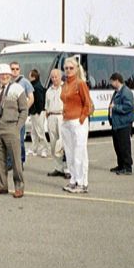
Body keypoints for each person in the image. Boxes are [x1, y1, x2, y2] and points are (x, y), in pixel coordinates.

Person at [0, 63, 29, 198]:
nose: (4, 76)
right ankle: (2, 185)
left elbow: (24, 109)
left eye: (7, 74)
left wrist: (18, 127)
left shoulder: (17, 89)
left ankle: (19, 187)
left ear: (10, 75)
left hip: (11, 127)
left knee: (16, 160)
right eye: (1, 74)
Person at [61, 58, 92, 193]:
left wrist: (82, 118)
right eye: (66, 68)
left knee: (80, 152)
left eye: (71, 68)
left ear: (76, 68)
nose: (68, 70)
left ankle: (82, 182)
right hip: (66, 121)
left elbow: (88, 103)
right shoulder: (65, 84)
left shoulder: (80, 83)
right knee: (69, 152)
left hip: (78, 121)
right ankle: (73, 179)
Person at [108, 72, 134, 175]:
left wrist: (115, 108)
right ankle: (120, 165)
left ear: (117, 81)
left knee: (124, 146)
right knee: (118, 146)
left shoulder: (126, 92)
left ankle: (127, 167)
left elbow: (128, 107)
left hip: (123, 124)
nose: (111, 84)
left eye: (112, 82)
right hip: (116, 124)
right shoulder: (117, 92)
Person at [45, 68, 69, 179]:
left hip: (61, 116)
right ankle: (58, 167)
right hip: (51, 116)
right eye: (52, 77)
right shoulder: (49, 91)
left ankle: (67, 169)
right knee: (54, 144)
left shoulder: (65, 88)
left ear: (60, 77)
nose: (54, 79)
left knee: (64, 144)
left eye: (56, 77)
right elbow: (46, 105)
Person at [9, 61, 34, 166]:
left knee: (20, 140)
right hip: (9, 115)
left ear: (20, 70)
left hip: (20, 116)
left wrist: (23, 110)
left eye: (17, 69)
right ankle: (10, 161)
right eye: (12, 69)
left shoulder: (25, 82)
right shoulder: (7, 81)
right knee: (9, 139)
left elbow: (31, 98)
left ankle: (21, 161)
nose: (14, 71)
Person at [27, 69, 50, 157]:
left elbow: (40, 100)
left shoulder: (37, 87)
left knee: (40, 131)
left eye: (30, 75)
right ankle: (34, 148)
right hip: (34, 112)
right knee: (34, 131)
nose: (28, 77)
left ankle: (45, 148)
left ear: (33, 77)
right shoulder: (34, 85)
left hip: (38, 112)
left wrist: (39, 111)